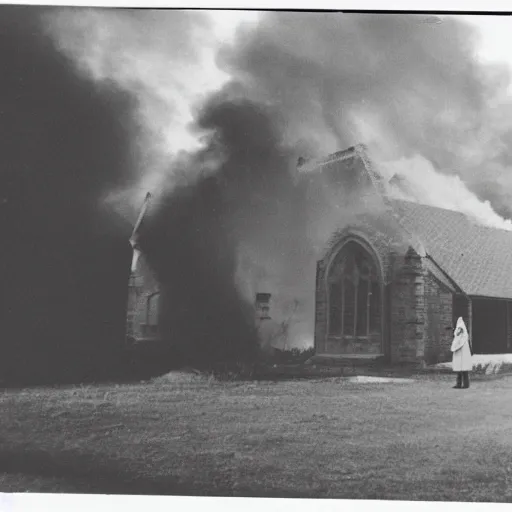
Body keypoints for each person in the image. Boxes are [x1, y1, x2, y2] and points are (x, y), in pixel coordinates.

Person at [450, 317, 472, 389]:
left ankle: (463, 384)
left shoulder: (460, 328)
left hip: (461, 352)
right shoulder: (463, 330)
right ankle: (462, 384)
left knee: (462, 369)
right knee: (462, 369)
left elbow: (458, 337)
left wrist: (454, 346)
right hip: (462, 352)